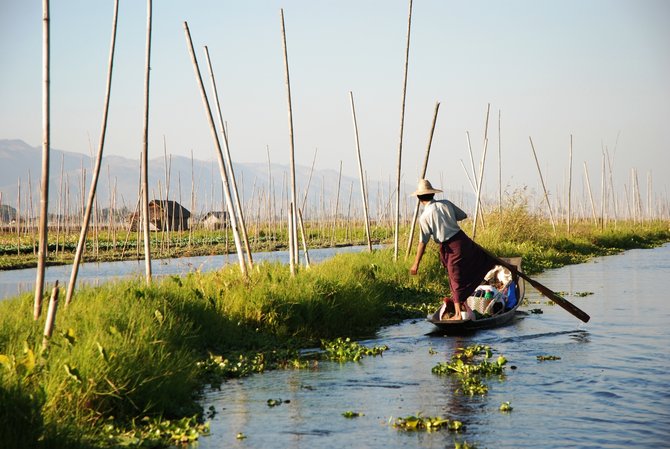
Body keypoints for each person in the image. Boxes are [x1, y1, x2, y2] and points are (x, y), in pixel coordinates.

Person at [409, 179, 497, 320]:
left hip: (451, 246)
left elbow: (422, 242)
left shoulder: (425, 216)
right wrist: (448, 218)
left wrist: (416, 264)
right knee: (460, 273)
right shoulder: (446, 203)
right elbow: (462, 215)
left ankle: (457, 314)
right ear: (432, 194)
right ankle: (461, 305)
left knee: (455, 278)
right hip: (463, 240)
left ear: (419, 198)